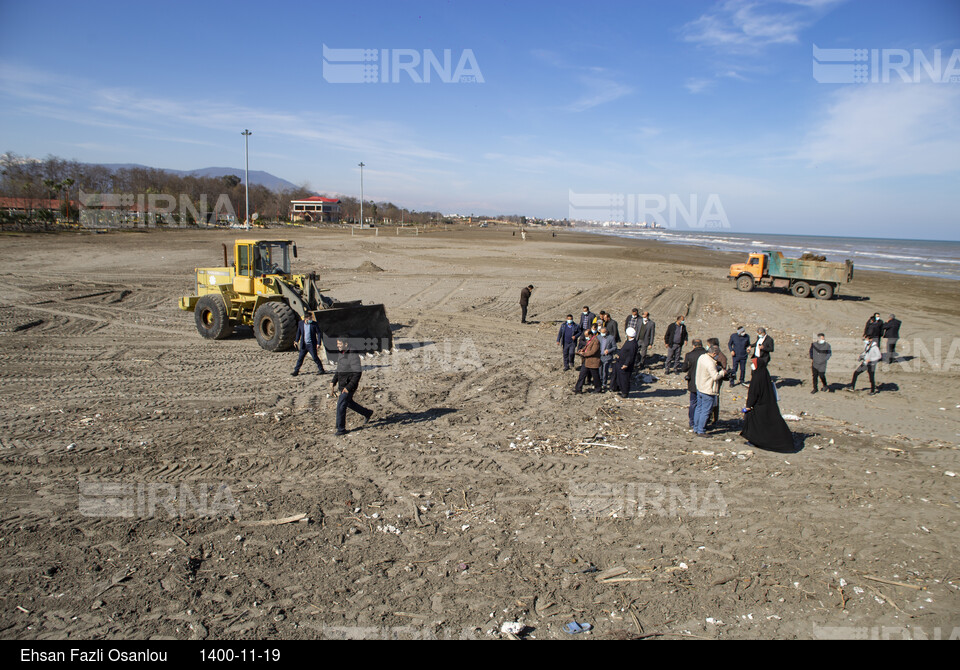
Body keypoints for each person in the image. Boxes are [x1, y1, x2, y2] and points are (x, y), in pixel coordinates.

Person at [740, 357, 794, 452]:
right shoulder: (765, 374)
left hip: (758, 406)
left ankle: (754, 441)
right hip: (768, 404)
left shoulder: (757, 377)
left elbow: (753, 393)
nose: (752, 366)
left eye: (753, 364)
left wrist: (748, 406)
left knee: (755, 424)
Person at [331, 337, 373, 435]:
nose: (338, 346)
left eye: (340, 344)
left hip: (349, 386)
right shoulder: (341, 353)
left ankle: (341, 429)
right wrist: (333, 381)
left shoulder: (353, 355)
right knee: (349, 403)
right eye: (337, 344)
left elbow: (357, 373)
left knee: (341, 405)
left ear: (346, 344)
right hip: (342, 384)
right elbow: (339, 369)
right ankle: (367, 413)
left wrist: (348, 387)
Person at [693, 346, 725, 435]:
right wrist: (722, 373)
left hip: (700, 387)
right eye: (717, 355)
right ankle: (701, 430)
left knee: (699, 408)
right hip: (708, 389)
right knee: (706, 411)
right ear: (714, 354)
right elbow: (715, 376)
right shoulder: (710, 363)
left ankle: (696, 427)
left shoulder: (702, 357)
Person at [682, 339, 707, 428]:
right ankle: (702, 423)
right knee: (704, 404)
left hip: (693, 382)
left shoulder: (689, 355)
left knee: (693, 403)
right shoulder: (707, 354)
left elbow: (684, 368)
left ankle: (692, 421)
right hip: (705, 383)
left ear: (693, 345)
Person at [706, 338, 727, 428]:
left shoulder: (721, 357)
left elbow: (723, 370)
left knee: (714, 400)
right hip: (710, 381)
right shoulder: (709, 355)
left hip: (716, 382)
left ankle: (714, 418)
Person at [574, 329, 602, 393]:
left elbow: (593, 351)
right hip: (587, 361)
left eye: (586, 335)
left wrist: (584, 354)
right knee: (582, 375)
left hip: (593, 362)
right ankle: (578, 389)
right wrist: (582, 350)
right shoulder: (590, 340)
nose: (585, 337)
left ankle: (598, 388)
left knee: (595, 376)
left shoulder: (596, 341)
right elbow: (586, 347)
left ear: (590, 334)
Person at [616, 327, 639, 398]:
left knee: (625, 379)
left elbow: (630, 356)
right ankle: (622, 391)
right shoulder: (628, 341)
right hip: (621, 362)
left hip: (625, 365)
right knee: (621, 378)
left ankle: (625, 393)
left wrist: (626, 364)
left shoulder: (633, 344)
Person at [597, 324, 617, 392]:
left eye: (604, 332)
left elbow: (614, 347)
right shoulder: (598, 337)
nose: (602, 334)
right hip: (600, 356)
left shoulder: (611, 338)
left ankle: (604, 383)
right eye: (601, 332)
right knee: (600, 370)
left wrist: (609, 350)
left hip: (607, 357)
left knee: (605, 370)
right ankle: (600, 381)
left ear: (607, 332)